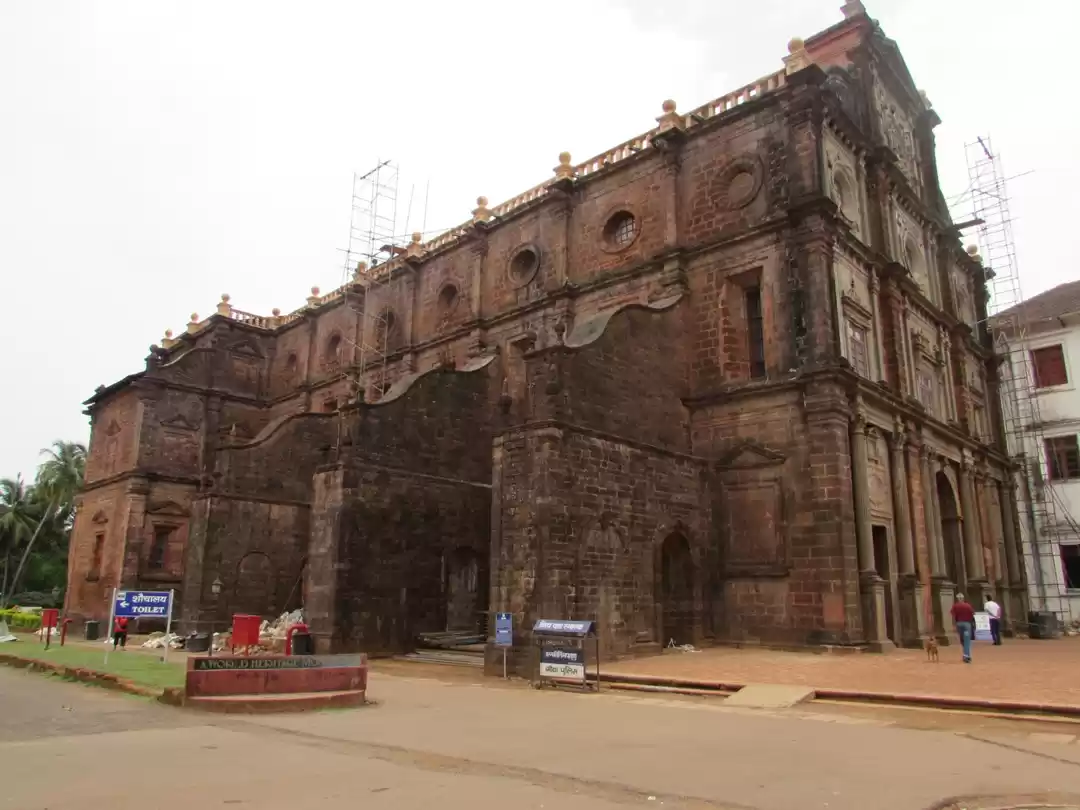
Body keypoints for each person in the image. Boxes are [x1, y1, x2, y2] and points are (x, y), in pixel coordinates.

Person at [950, 593, 975, 663]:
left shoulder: (955, 606)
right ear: (963, 598)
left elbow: (953, 615)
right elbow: (973, 613)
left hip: (959, 624)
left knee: (962, 640)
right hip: (967, 624)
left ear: (957, 599)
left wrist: (954, 624)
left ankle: (967, 655)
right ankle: (966, 655)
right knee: (967, 640)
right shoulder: (968, 605)